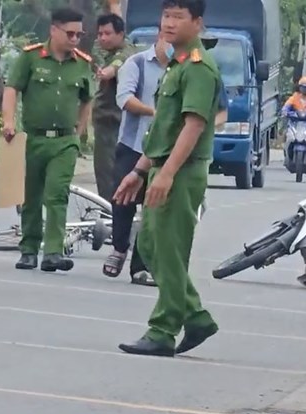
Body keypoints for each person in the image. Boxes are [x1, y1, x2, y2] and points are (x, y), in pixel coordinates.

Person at [114, 0, 220, 357]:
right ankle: (196, 316)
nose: (169, 23)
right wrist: (140, 171)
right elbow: (164, 130)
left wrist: (168, 174)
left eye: (178, 17)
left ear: (198, 23)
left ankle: (163, 330)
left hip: (182, 172)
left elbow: (194, 125)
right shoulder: (175, 66)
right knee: (150, 246)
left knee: (169, 251)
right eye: (166, 16)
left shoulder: (198, 68)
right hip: (162, 166)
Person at [103, 27, 230, 286]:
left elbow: (211, 115)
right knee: (124, 200)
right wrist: (159, 116)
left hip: (173, 155)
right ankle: (119, 247)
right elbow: (125, 99)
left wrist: (196, 129)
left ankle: (144, 269)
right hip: (135, 145)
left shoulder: (198, 69)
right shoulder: (139, 63)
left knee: (156, 217)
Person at [2, 6, 93, 273]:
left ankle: (53, 251)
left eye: (79, 34)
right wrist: (9, 122)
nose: (75, 39)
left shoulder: (82, 63)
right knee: (30, 196)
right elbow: (12, 89)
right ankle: (29, 249)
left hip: (64, 142)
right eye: (70, 33)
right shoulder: (31, 58)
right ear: (54, 30)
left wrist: (80, 130)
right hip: (33, 139)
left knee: (57, 194)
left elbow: (87, 98)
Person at [92, 13, 135, 202]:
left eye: (108, 33)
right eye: (100, 33)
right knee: (103, 173)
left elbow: (119, 62)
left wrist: (109, 72)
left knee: (112, 174)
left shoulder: (128, 51)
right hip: (104, 122)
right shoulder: (100, 50)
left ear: (121, 34)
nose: (103, 38)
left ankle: (111, 214)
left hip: (116, 122)